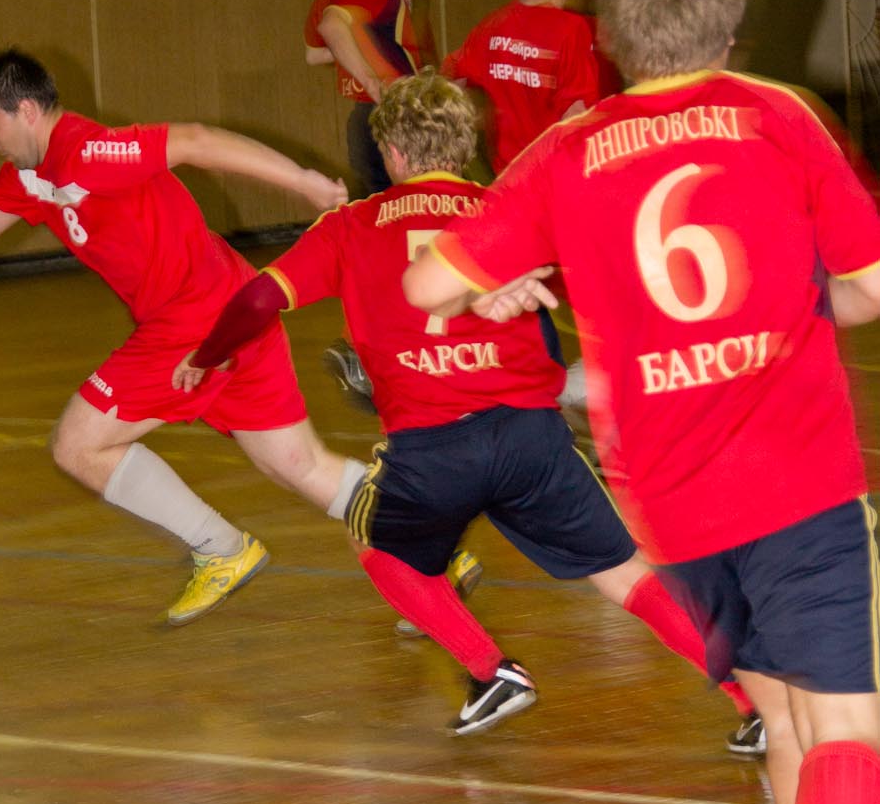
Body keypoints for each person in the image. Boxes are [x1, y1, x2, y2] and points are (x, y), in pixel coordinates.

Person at [404, 0, 880, 804]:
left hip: (671, 500)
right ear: (732, 33)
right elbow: (870, 285)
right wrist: (797, 300)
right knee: (849, 728)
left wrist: (498, 284)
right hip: (794, 478)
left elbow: (423, 285)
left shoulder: (567, 148)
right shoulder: (774, 116)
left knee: (785, 723)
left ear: (611, 43)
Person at [173, 74, 753, 737]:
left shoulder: (350, 227)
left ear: (391, 153)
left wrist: (208, 355)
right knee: (621, 573)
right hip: (531, 438)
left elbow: (257, 300)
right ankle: (750, 701)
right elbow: (605, 285)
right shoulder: (510, 211)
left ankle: (489, 670)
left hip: (432, 449)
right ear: (464, 145)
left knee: (378, 544)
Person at [0, 49, 367, 626]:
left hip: (194, 320)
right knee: (300, 465)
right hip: (234, 311)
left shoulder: (88, 152)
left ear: (26, 111)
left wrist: (303, 181)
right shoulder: (30, 178)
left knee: (78, 445)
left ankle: (221, 548)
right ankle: (417, 538)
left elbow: (196, 140)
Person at [305, 0, 436, 410]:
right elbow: (334, 29)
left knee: (389, 240)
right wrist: (382, 85)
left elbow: (316, 50)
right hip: (392, 126)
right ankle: (375, 350)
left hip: (369, 122)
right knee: (415, 235)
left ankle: (374, 349)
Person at [443, 0, 603, 176]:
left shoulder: (492, 26)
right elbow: (576, 118)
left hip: (504, 183)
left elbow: (451, 81)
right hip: (548, 182)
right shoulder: (572, 29)